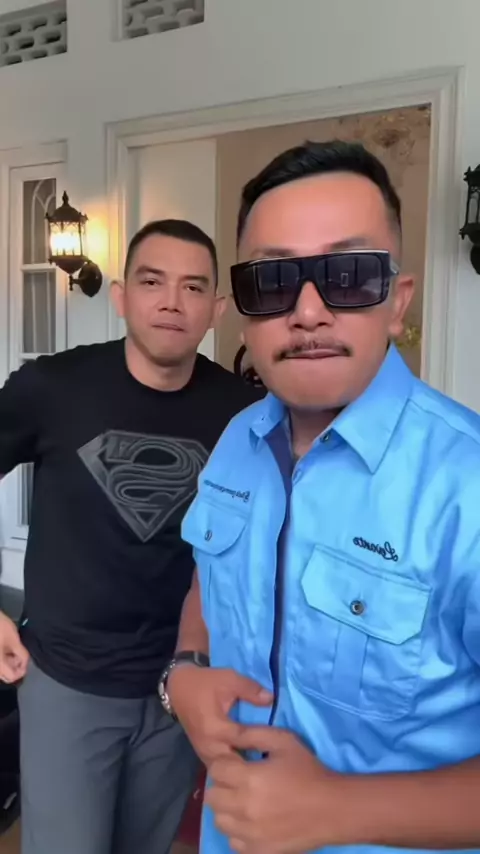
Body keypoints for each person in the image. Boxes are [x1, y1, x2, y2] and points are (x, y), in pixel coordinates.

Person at [160, 142, 480, 854]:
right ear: (244, 312)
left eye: (348, 275)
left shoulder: (467, 487)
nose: (307, 311)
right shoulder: (238, 440)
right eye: (272, 280)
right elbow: (212, 577)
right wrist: (185, 669)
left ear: (397, 301)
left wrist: (341, 809)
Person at [0, 218, 261, 854]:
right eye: (152, 282)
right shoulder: (51, 387)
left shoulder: (244, 414)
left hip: (178, 688)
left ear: (216, 309)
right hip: (66, 681)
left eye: (193, 287)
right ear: (121, 296)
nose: (172, 301)